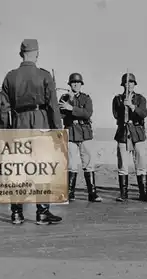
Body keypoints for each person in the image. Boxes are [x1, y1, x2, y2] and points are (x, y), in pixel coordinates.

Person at [1, 39, 63, 225]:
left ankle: (16, 214)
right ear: (36, 54)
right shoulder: (44, 75)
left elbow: (4, 108)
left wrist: (4, 133)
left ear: (21, 54)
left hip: (19, 125)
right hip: (40, 123)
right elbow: (53, 106)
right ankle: (42, 213)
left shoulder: (10, 76)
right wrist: (58, 130)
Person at [59, 72, 102, 203]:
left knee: (88, 163)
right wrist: (69, 103)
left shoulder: (86, 98)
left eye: (78, 83)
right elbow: (60, 115)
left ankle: (92, 193)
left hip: (84, 133)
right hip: (71, 132)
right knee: (71, 163)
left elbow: (87, 113)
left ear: (81, 84)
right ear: (70, 84)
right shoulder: (64, 98)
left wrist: (71, 108)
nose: (75, 84)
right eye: (73, 82)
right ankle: (70, 193)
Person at [112, 72, 147, 202]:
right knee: (122, 164)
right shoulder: (117, 99)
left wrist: (131, 106)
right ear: (123, 84)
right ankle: (123, 194)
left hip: (137, 133)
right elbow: (115, 115)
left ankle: (143, 193)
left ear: (134, 84)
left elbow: (143, 113)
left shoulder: (141, 98)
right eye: (126, 82)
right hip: (123, 133)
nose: (128, 85)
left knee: (141, 163)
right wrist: (123, 106)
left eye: (131, 82)